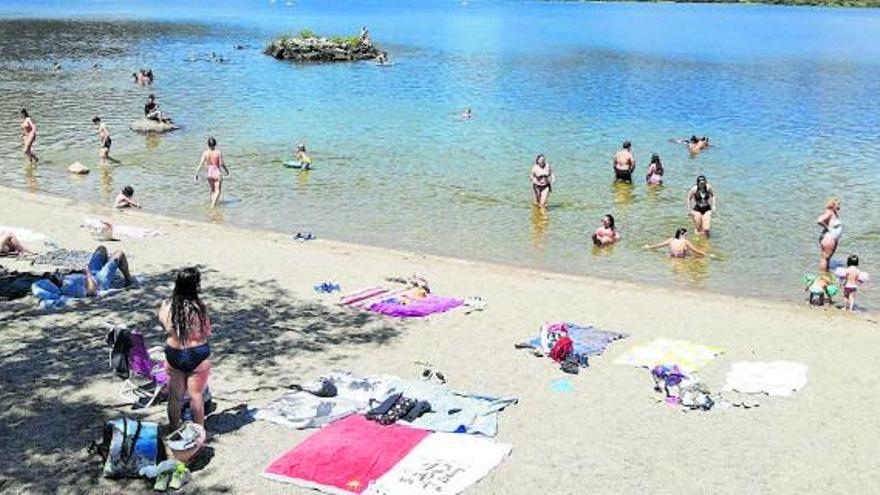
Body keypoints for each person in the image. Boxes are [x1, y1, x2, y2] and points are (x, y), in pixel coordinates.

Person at [159, 267, 212, 430]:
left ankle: (174, 429)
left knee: (175, 397)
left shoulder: (167, 305)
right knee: (196, 396)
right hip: (197, 353)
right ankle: (199, 433)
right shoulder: (199, 307)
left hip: (174, 352)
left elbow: (164, 325)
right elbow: (207, 331)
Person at [30, 246, 133, 301]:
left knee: (101, 250)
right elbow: (92, 291)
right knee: (119, 254)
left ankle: (110, 271)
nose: (55, 273)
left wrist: (79, 272)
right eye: (54, 276)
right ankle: (129, 280)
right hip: (100, 280)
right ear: (55, 282)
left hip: (93, 273)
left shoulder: (64, 281)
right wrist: (87, 272)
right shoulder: (69, 289)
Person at [194, 137, 230, 208]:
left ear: (208, 145)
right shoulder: (218, 152)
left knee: (213, 190)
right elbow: (222, 164)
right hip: (217, 173)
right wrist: (227, 171)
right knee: (218, 191)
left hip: (210, 173)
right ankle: (213, 205)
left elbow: (201, 164)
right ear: (215, 144)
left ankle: (213, 203)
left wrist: (196, 173)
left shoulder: (205, 153)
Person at [816, 197, 842, 273]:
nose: (839, 206)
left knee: (827, 258)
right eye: (838, 205)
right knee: (824, 258)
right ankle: (823, 276)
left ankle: (826, 273)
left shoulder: (833, 213)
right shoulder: (829, 212)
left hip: (832, 238)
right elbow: (819, 220)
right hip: (828, 237)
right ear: (833, 205)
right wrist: (827, 227)